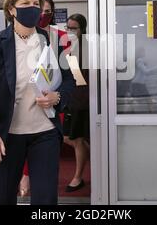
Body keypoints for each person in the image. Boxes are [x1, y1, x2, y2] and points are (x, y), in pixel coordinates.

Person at [0, 0, 75, 205]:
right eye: (25, 3)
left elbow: (69, 82)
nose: (33, 8)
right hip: (6, 136)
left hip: (45, 132)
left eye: (36, 3)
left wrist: (57, 97)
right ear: (12, 9)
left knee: (46, 200)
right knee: (5, 196)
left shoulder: (55, 40)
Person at [18, 0, 69, 197]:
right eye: (41, 11)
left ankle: (37, 181)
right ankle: (25, 174)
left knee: (47, 159)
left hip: (51, 104)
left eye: (48, 12)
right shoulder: (21, 35)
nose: (44, 15)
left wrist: (59, 96)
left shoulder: (62, 37)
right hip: (24, 105)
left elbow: (71, 74)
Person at [63, 13, 90, 192]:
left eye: (74, 28)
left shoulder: (85, 48)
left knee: (77, 139)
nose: (70, 31)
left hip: (80, 100)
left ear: (82, 29)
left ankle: (78, 177)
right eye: (68, 27)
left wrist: (69, 64)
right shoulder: (70, 46)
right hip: (71, 99)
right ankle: (96, 152)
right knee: (68, 138)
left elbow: (80, 79)